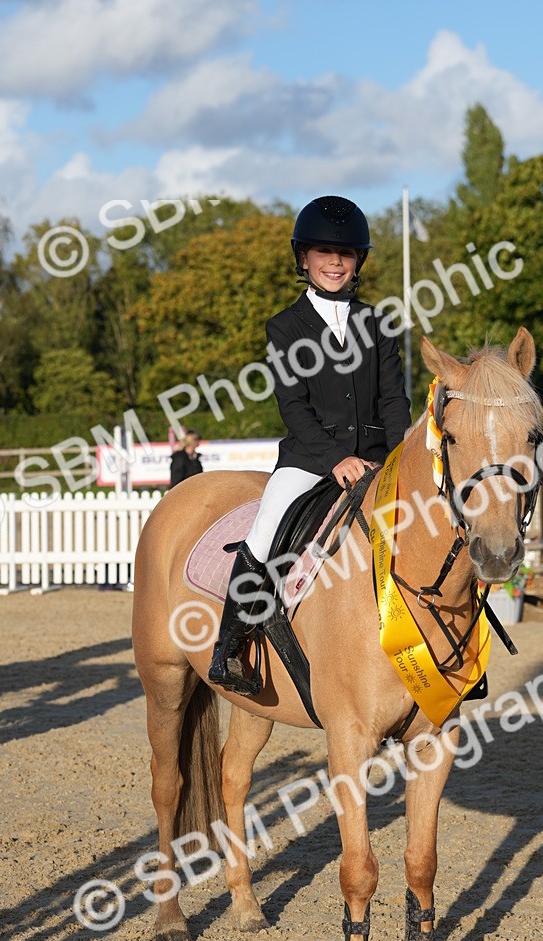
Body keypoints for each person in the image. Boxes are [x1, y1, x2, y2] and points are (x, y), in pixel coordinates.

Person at [208, 194, 411, 696]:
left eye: (345, 254)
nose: (335, 262)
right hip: (310, 460)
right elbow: (294, 408)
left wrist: (396, 459)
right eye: (324, 252)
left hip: (377, 461)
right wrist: (336, 458)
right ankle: (230, 646)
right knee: (266, 527)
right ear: (304, 259)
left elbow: (394, 400)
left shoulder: (380, 324)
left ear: (358, 261)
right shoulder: (284, 327)